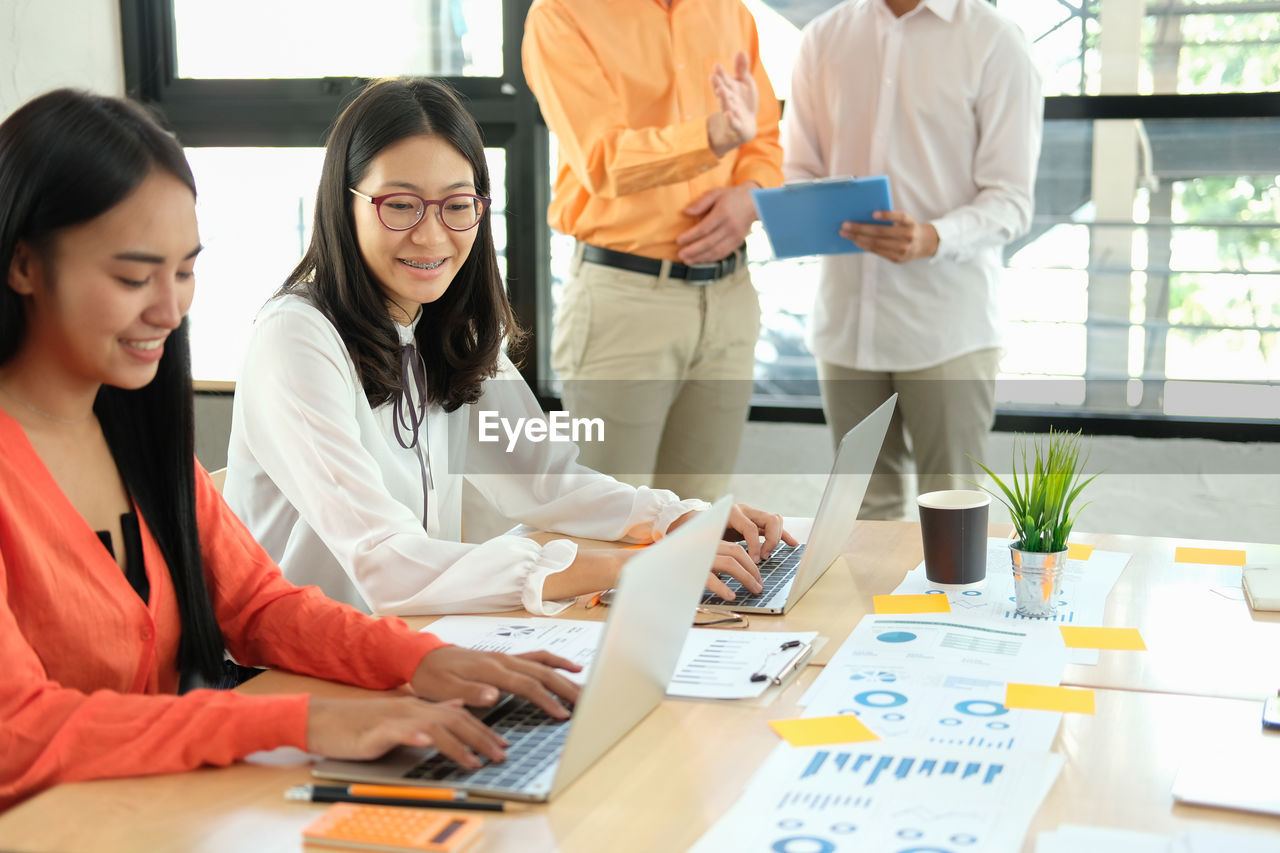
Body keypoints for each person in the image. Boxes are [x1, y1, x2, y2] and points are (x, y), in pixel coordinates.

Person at [0, 88, 584, 811]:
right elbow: (17, 731)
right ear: (23, 265)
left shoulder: (129, 437)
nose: (169, 308)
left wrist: (424, 659)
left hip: (145, 806)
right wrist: (307, 718)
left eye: (185, 272)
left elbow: (257, 606)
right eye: (131, 276)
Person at [223, 78, 792, 618]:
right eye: (399, 204)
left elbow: (545, 478)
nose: (431, 234)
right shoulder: (296, 338)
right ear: (343, 204)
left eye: (456, 204)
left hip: (410, 645)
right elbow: (384, 560)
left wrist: (679, 519)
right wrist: (634, 565)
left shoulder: (445, 326)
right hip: (292, 672)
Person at [783, 0, 1044, 519]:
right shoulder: (822, 38)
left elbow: (1012, 200)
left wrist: (933, 237)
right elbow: (798, 169)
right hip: (846, 326)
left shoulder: (995, 41)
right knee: (858, 518)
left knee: (954, 519)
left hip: (946, 329)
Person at [521, 0, 783, 500]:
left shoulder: (732, 12)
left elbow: (763, 137)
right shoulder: (561, 14)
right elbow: (603, 161)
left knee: (702, 522)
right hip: (627, 301)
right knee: (610, 520)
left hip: (729, 298)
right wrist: (714, 135)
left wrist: (750, 194)